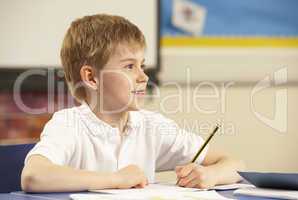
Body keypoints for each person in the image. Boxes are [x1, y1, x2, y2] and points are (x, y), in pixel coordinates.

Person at [21, 14, 245, 192]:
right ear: (91, 78)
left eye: (142, 65)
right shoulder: (68, 124)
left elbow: (236, 165)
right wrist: (114, 179)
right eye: (129, 66)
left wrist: (209, 175)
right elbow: (33, 176)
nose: (143, 77)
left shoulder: (152, 126)